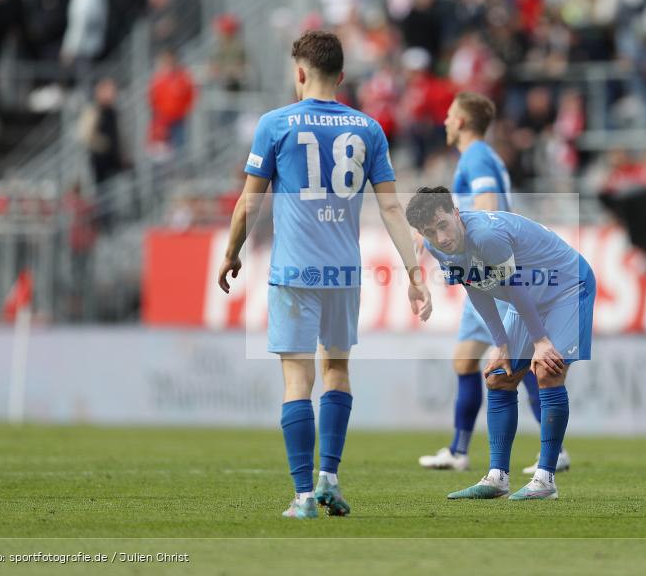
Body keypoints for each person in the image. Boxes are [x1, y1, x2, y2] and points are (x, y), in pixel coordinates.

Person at [217, 30, 432, 519]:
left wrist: (232, 252)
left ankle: (301, 498)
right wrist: (414, 271)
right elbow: (393, 208)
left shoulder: (275, 124)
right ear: (341, 76)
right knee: (337, 370)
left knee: (298, 378)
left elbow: (251, 202)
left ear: (299, 73)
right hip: (344, 273)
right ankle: (329, 481)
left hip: (294, 272)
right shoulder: (369, 129)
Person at [406, 187, 595, 501]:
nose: (440, 237)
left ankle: (545, 479)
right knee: (498, 377)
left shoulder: (486, 236)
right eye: (429, 231)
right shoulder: (437, 246)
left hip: (566, 286)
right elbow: (476, 286)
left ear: (455, 212)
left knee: (547, 370)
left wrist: (540, 341)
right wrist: (501, 345)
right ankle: (497, 478)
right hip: (530, 297)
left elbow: (515, 285)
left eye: (442, 225)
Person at [418, 92, 571, 475]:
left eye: (451, 115)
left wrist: (477, 257)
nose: (445, 122)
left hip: (489, 270)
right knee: (470, 360)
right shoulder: (481, 156)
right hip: (487, 269)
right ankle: (458, 449)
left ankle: (552, 450)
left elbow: (487, 205)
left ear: (464, 122)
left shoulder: (476, 157)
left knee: (511, 364)